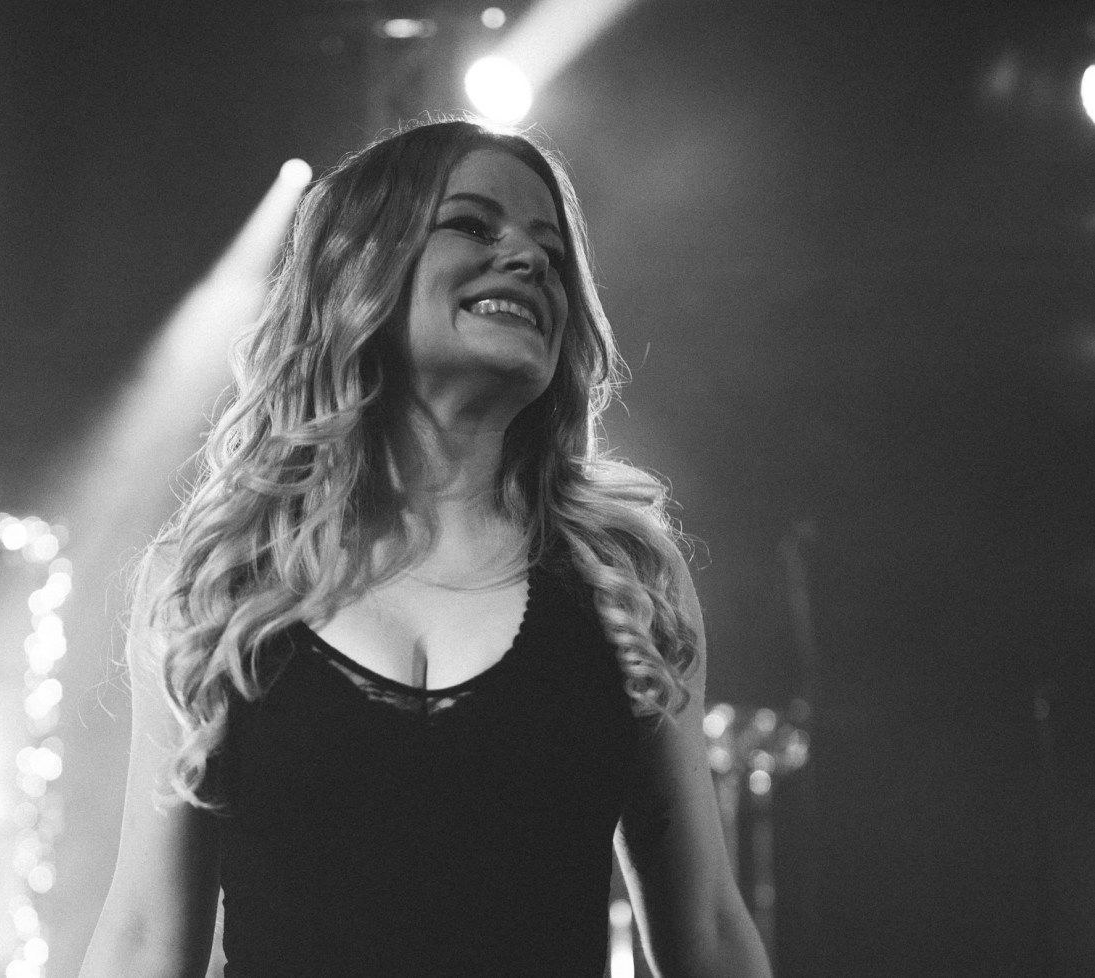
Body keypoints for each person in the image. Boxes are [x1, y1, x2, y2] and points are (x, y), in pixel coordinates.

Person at [80, 118, 771, 978]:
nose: (526, 259)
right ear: (360, 269)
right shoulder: (218, 581)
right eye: (472, 225)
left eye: (550, 251)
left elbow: (706, 929)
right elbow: (144, 939)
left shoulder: (624, 579)